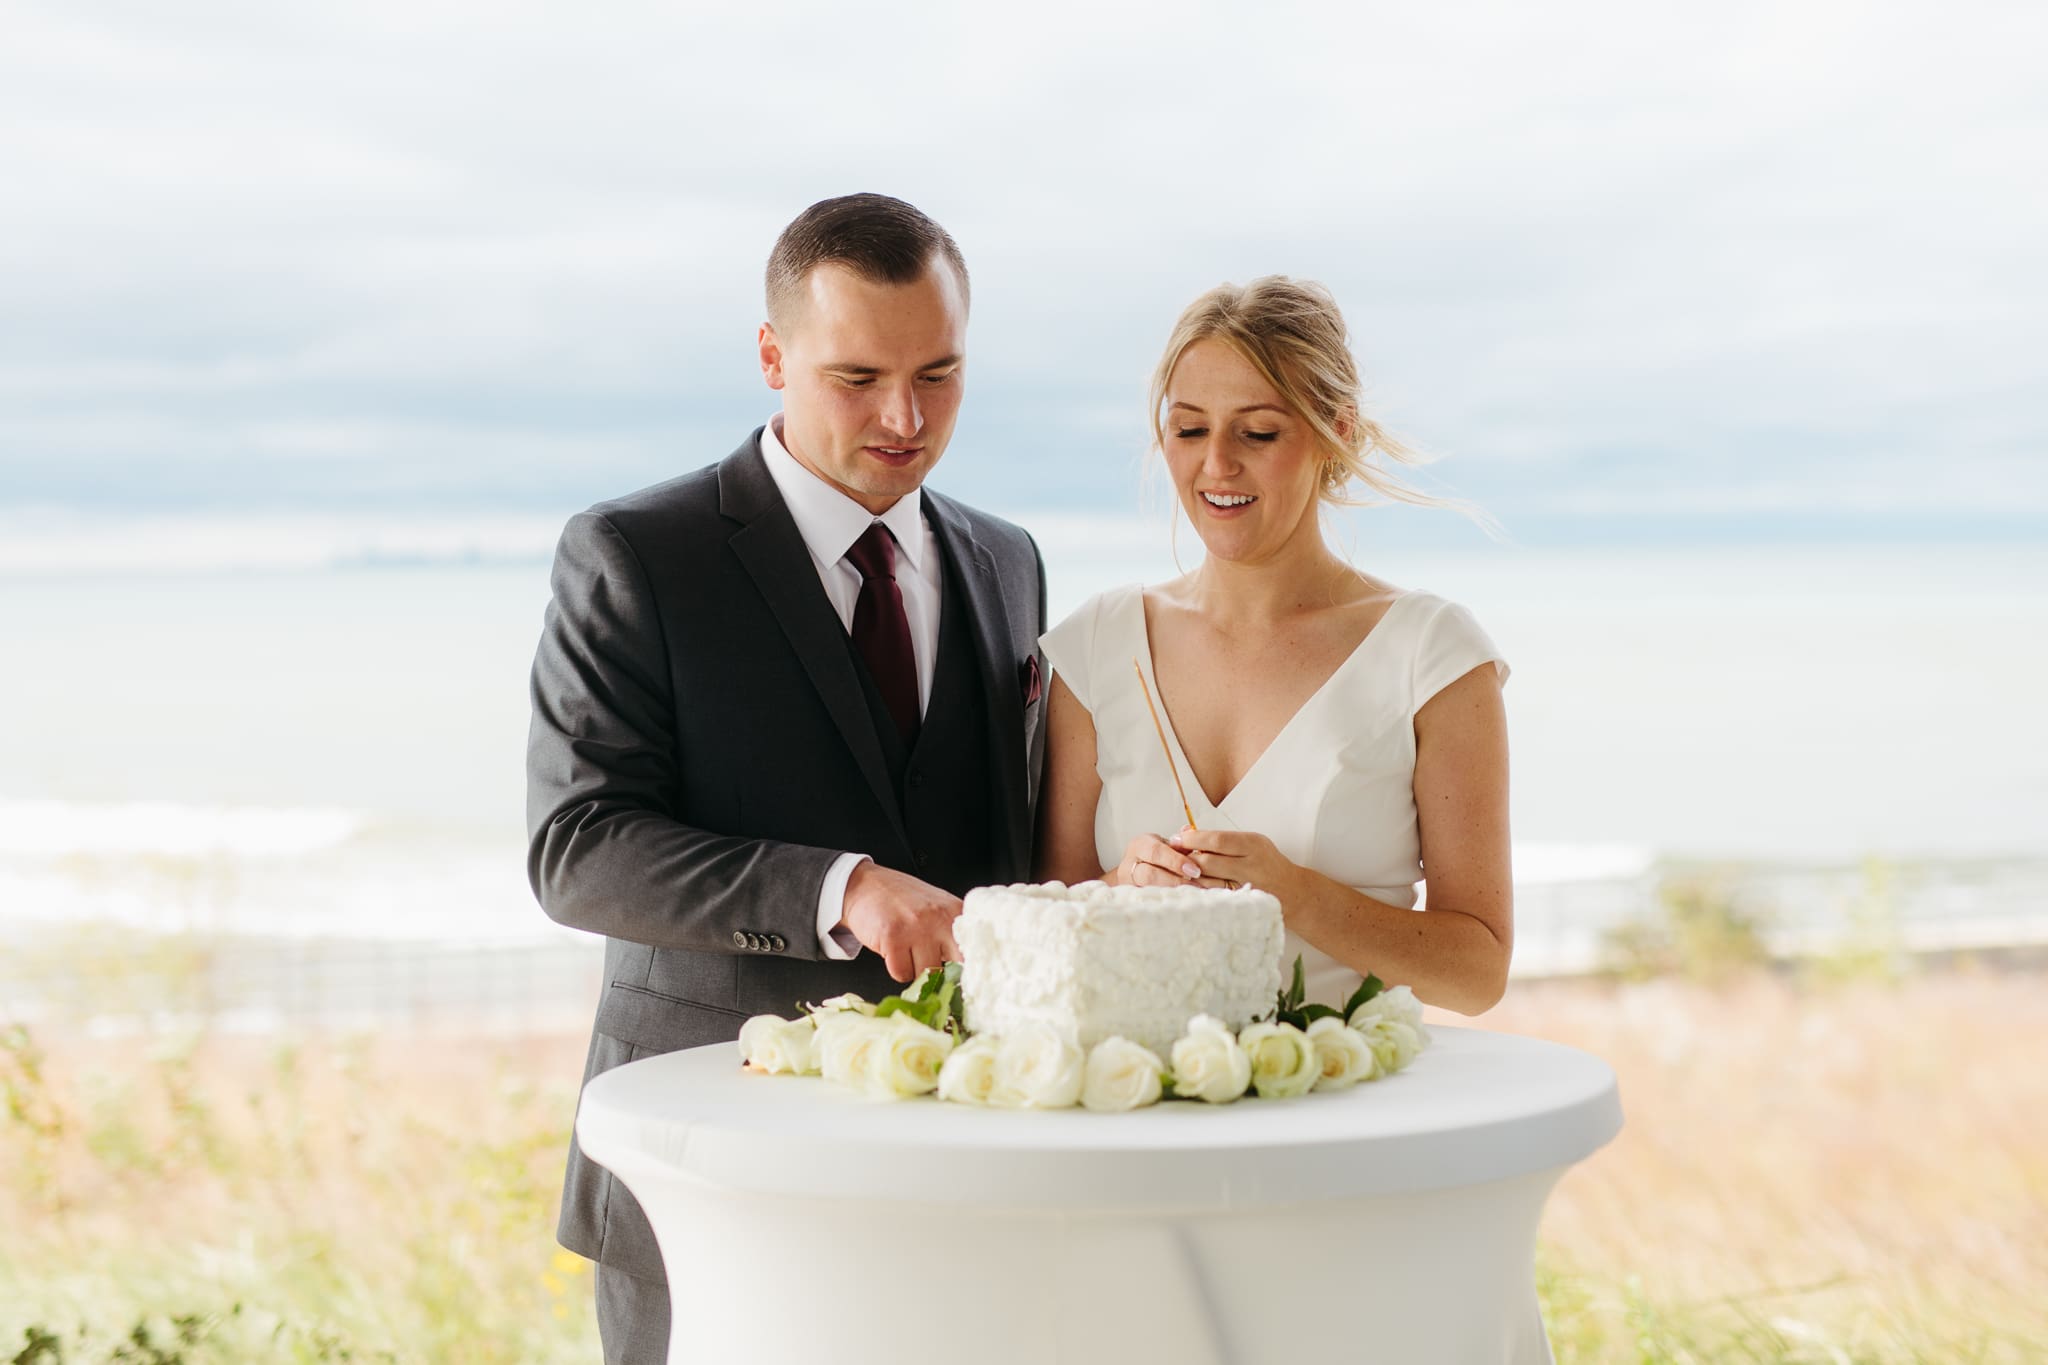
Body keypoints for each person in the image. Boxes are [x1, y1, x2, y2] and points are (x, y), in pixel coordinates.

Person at [526, 193, 1047, 1362]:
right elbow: (578, 848)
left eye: (940, 374)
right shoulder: (633, 555)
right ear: (772, 357)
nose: (903, 417)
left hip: (961, 1163)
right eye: (855, 376)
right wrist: (842, 887)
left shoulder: (1007, 560)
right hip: (707, 1157)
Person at [1036, 276, 1512, 1016]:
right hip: (1138, 1107)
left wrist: (1297, 895)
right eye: (1189, 429)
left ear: (1339, 433)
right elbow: (1041, 925)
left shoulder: (1431, 653)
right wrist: (1121, 891)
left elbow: (1478, 972)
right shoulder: (1096, 644)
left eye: (1258, 432)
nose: (1217, 464)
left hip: (1351, 1104)